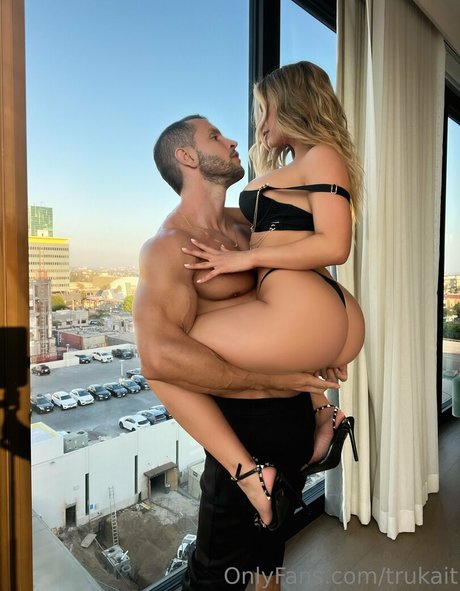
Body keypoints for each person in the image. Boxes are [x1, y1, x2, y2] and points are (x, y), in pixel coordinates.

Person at [135, 61, 364, 590]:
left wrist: (311, 360)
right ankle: (258, 467)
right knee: (220, 573)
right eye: (216, 135)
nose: (236, 138)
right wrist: (280, 377)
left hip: (292, 413)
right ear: (188, 158)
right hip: (244, 425)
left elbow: (308, 265)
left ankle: (286, 448)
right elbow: (161, 356)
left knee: (264, 563)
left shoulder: (249, 225)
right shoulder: (168, 248)